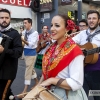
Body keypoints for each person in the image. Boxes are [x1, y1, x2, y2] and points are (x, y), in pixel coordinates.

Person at [37, 14, 88, 100]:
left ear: (67, 29)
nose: (52, 29)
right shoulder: (51, 48)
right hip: (48, 92)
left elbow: (77, 83)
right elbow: (46, 71)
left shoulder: (74, 51)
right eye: (51, 25)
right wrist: (38, 87)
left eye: (57, 25)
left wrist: (51, 80)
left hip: (66, 95)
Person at [72, 10, 100, 100]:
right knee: (82, 97)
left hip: (97, 72)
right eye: (89, 18)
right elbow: (71, 43)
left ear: (99, 20)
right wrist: (78, 49)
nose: (91, 20)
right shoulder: (82, 34)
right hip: (81, 70)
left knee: (97, 95)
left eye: (94, 18)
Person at [0, 9, 23, 100]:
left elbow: (18, 53)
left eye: (6, 17)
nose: (4, 20)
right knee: (6, 93)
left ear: (10, 19)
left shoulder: (15, 34)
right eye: (1, 18)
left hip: (7, 73)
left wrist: (4, 50)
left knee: (3, 95)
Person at [20, 18, 39, 95]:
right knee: (31, 68)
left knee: (28, 70)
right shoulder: (24, 32)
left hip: (32, 53)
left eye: (25, 23)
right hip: (25, 52)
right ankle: (37, 82)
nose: (24, 24)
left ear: (30, 23)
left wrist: (23, 40)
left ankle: (25, 89)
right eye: (23, 23)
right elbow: (23, 44)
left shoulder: (35, 33)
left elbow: (31, 44)